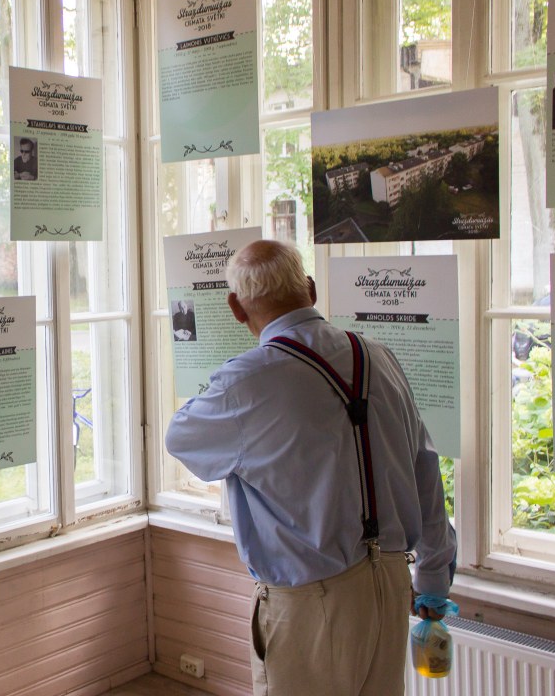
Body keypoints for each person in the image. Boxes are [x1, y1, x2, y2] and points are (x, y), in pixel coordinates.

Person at [165, 240, 456, 696]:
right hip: (392, 584)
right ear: (312, 290)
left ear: (236, 310)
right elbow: (425, 467)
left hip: (310, 603)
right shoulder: (376, 356)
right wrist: (434, 575)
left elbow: (181, 438)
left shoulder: (246, 380)